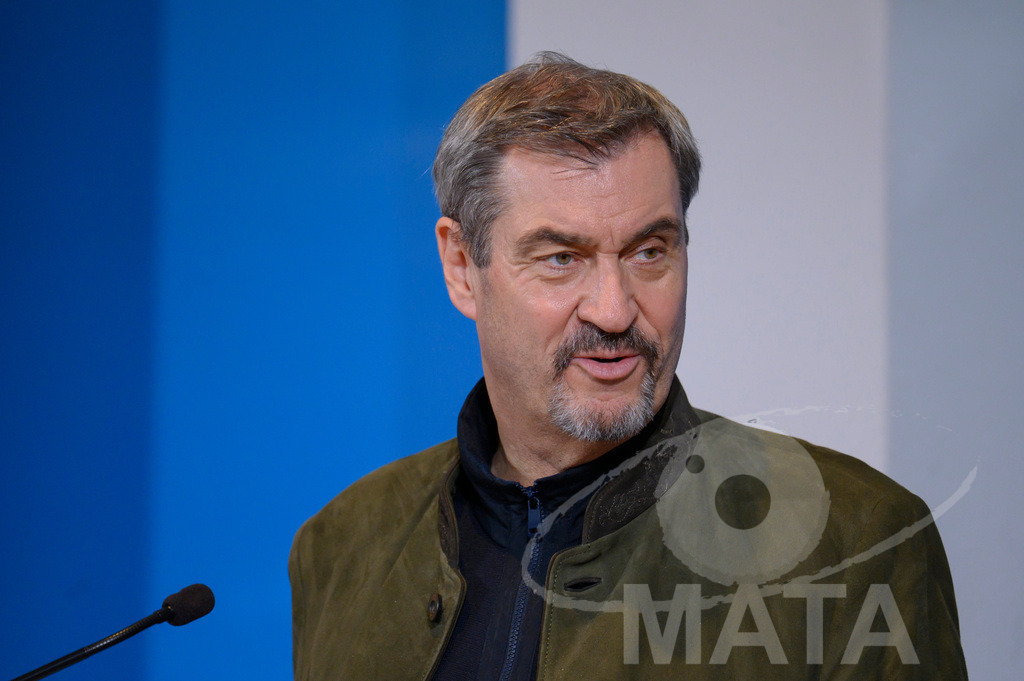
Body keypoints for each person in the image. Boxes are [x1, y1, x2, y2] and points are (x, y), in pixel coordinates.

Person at [289, 53, 968, 680]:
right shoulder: (342, 548)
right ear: (462, 267)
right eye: (561, 257)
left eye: (649, 251)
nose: (615, 311)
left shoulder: (856, 542)